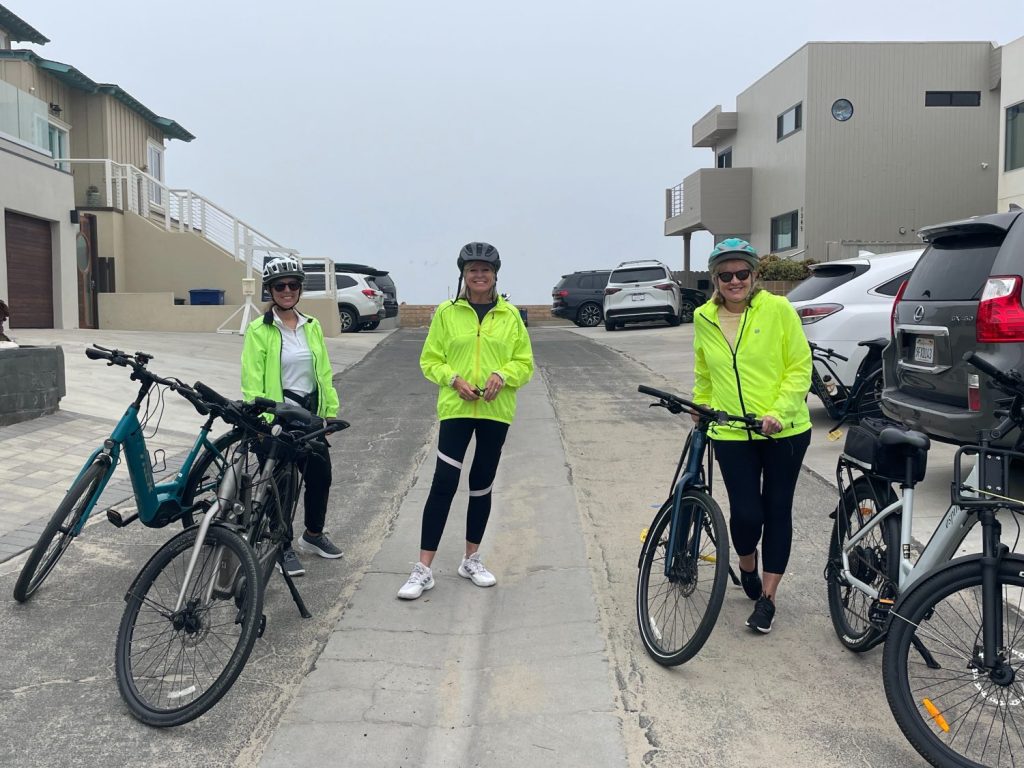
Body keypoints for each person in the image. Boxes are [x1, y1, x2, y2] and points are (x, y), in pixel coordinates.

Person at [398, 242, 534, 599]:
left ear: (495, 275)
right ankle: (423, 568)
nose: (479, 275)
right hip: (456, 408)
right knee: (444, 481)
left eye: (485, 270)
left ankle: (471, 558)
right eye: (472, 269)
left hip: (495, 410)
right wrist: (453, 379)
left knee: (481, 483)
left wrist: (502, 375)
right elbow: (430, 359)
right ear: (463, 273)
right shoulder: (447, 313)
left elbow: (525, 363)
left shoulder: (510, 316)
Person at [691, 238, 812, 633]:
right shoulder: (702, 318)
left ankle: (768, 599)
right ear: (715, 279)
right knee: (745, 513)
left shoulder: (778, 309)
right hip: (732, 431)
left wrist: (779, 411)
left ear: (755, 275)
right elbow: (705, 374)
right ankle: (747, 564)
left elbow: (799, 367)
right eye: (725, 275)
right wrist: (700, 404)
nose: (734, 280)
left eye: (742, 272)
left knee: (777, 510)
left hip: (785, 431)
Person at [241, 255, 343, 577]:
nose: (287, 290)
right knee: (280, 486)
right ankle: (280, 546)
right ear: (270, 290)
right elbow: (251, 379)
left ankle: (312, 535)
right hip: (277, 416)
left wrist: (327, 415)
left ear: (300, 289)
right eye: (280, 286)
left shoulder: (311, 327)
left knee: (319, 476)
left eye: (293, 285)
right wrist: (264, 421)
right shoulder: (259, 330)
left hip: (308, 415)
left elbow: (323, 374)